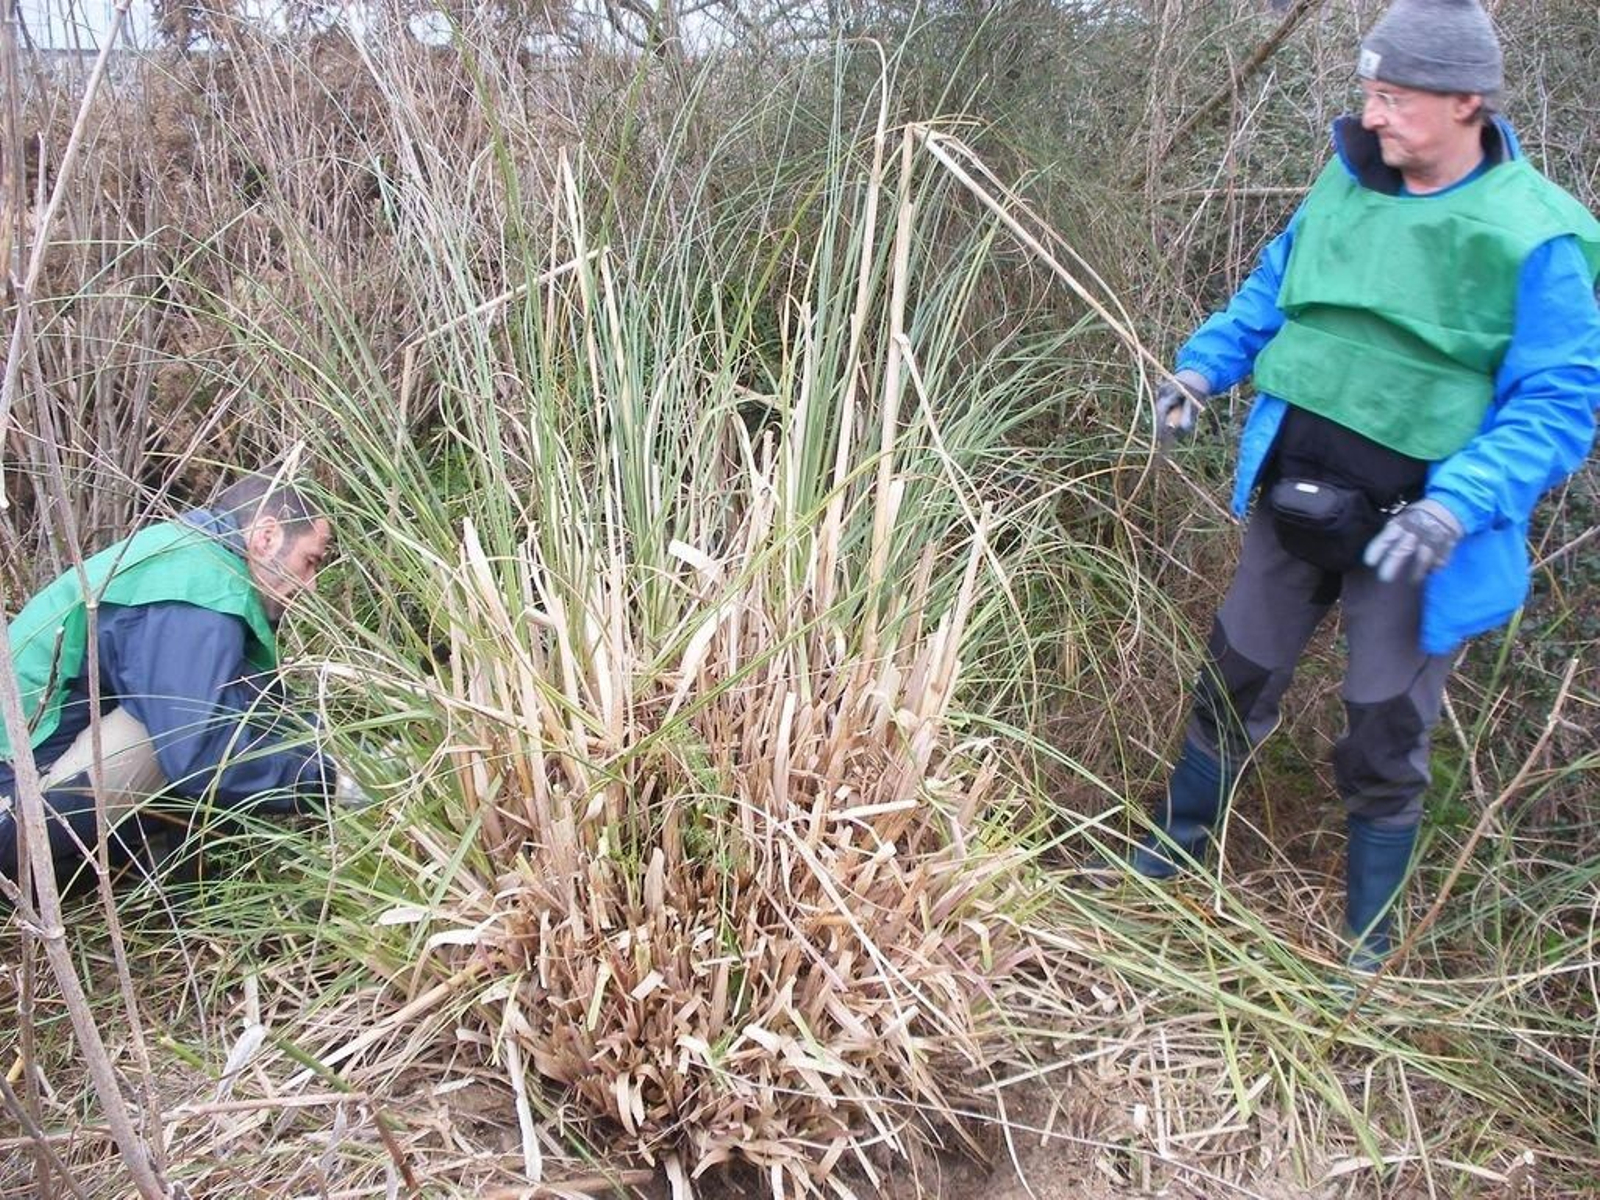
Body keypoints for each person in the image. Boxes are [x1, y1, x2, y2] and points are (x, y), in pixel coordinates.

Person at [1135, 0, 1600, 969]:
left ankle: (1366, 946)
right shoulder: (1343, 183)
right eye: (1368, 92)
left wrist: (1455, 507)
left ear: (1467, 100)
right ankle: (1168, 860)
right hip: (1292, 489)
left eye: (1394, 97)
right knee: (1233, 679)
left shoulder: (1535, 234)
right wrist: (1198, 372)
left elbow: (1558, 404)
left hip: (1413, 527)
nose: (1372, 116)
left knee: (1384, 731)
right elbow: (1267, 290)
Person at [0, 471, 354, 900]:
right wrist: (331, 782)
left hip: (32, 784)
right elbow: (202, 755)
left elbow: (257, 703)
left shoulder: (187, 558)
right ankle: (177, 897)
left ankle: (155, 880)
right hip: (13, 812)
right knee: (180, 734)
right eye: (310, 561)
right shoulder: (194, 593)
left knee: (211, 714)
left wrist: (344, 744)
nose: (311, 585)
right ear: (266, 535)